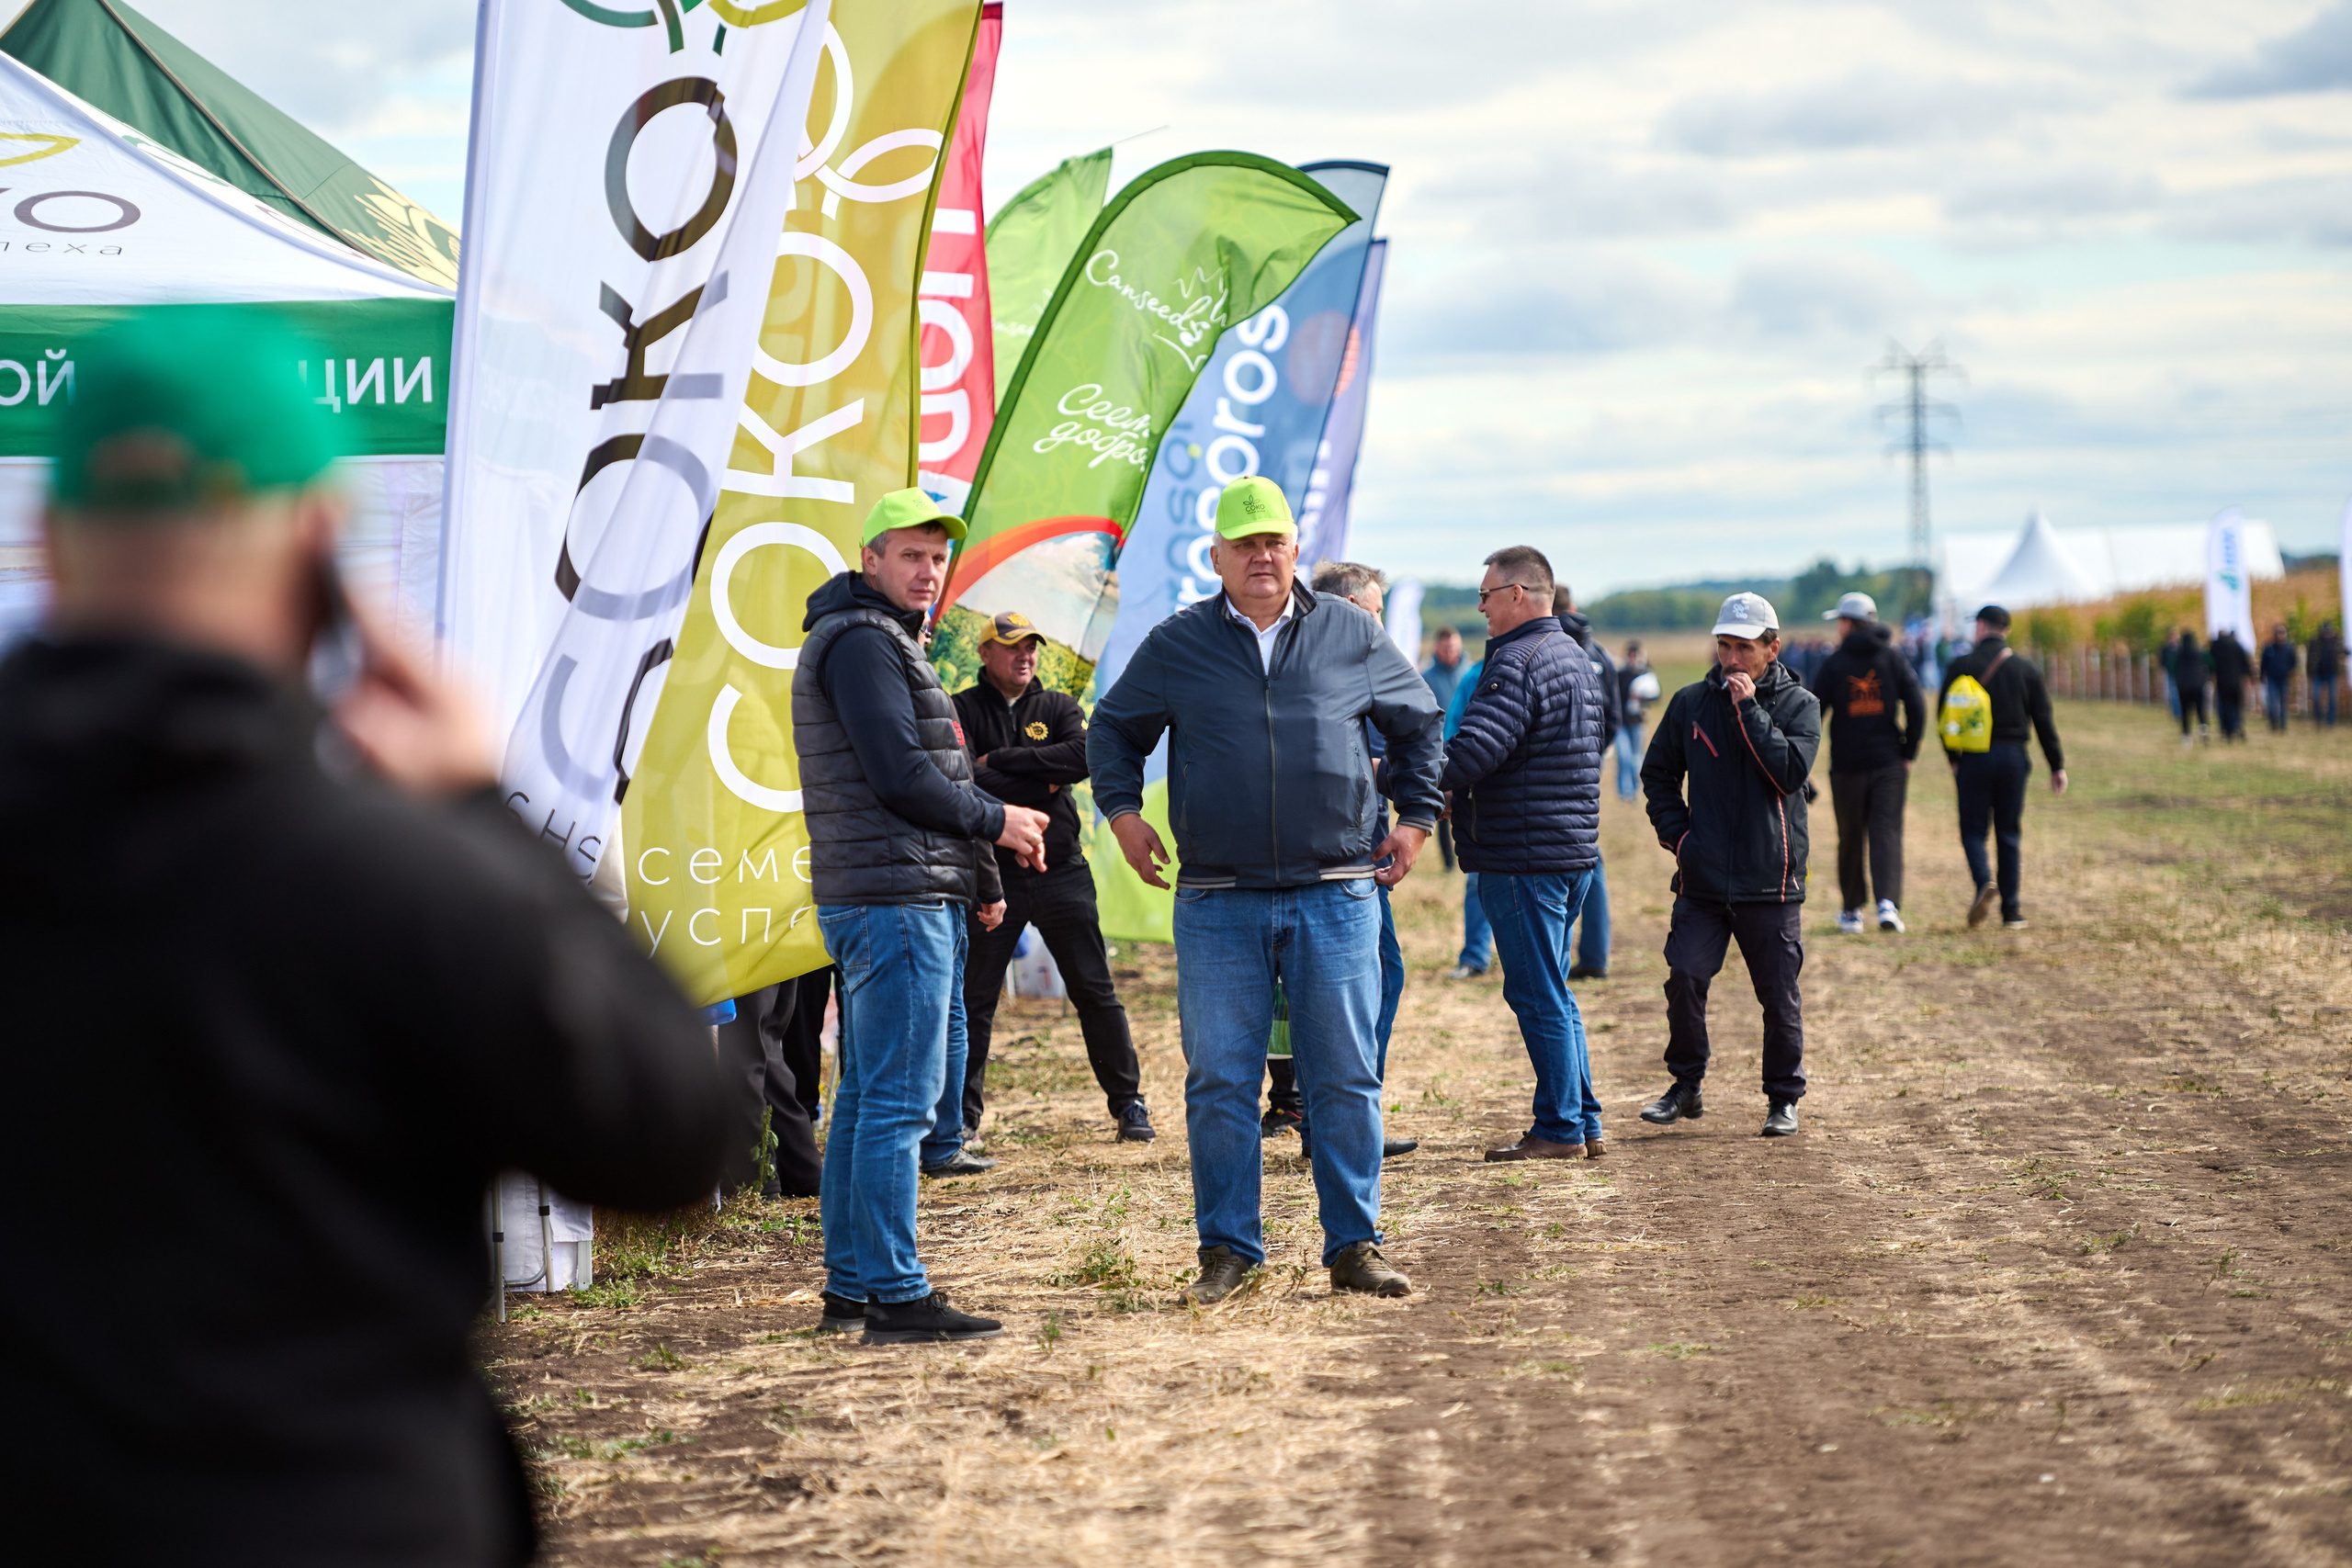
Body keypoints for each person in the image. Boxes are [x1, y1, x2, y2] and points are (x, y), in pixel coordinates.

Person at [0, 310, 733, 1564]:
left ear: (53, 545)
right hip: (343, 1512)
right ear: (322, 550)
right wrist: (475, 804)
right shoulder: (391, 877)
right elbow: (673, 1130)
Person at [1091, 475, 1443, 1304]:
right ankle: (1228, 1252)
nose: (1260, 554)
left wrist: (1418, 817)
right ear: (1214, 555)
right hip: (1218, 900)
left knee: (1346, 1074)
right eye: (1243, 543)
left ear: (1295, 551)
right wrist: (1122, 810)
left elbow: (1420, 722)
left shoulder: (1351, 632)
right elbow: (1113, 728)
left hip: (1338, 893)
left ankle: (1355, 1245)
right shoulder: (1178, 643)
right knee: (1219, 1078)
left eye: (1274, 540)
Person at [792, 488, 1052, 1345]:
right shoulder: (865, 643)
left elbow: (922, 771)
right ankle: (897, 1295)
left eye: (937, 558)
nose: (927, 570)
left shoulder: (877, 639)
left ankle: (853, 1287)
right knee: (899, 1103)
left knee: (868, 1099)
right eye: (910, 554)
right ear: (871, 558)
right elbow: (903, 776)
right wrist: (998, 822)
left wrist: (978, 864)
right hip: (893, 897)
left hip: (894, 890)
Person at [953, 610, 1152, 1145]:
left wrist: (1006, 761)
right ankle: (963, 1117)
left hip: (1062, 871)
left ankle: (1129, 1103)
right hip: (994, 878)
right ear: (986, 653)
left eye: (1032, 647)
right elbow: (962, 778)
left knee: (1094, 989)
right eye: (1012, 646)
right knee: (976, 999)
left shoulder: (1058, 706)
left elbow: (1082, 757)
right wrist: (1040, 778)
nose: (1025, 656)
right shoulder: (961, 709)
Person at [1442, 547, 1609, 1160]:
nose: (1480, 607)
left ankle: (1560, 1126)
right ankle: (1583, 1117)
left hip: (1523, 855)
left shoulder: (1516, 661)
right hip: (1569, 851)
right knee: (1555, 988)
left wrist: (1393, 773)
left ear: (1517, 594)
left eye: (1485, 594)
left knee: (1538, 993)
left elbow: (1472, 753)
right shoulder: (1572, 656)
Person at [1638, 592, 1820, 1138]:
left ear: (1772, 648)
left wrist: (1749, 711)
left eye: (1744, 647)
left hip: (1772, 879)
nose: (1732, 659)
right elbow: (1657, 775)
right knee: (1685, 977)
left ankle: (1783, 1098)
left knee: (1778, 996)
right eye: (1724, 646)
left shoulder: (1799, 706)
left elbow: (1789, 773)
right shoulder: (1691, 703)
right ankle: (1686, 1085)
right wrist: (1681, 837)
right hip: (1703, 878)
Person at [1269, 560, 1418, 1163]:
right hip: (1341, 865)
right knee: (1356, 985)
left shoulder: (1342, 668)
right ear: (1350, 609)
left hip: (1356, 856)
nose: (1381, 622)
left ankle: (1336, 1114)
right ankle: (1341, 1118)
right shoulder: (1336, 675)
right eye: (1376, 610)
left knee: (1355, 984)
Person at [1937, 604, 2066, 931]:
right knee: (2008, 832)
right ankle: (2012, 911)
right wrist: (2057, 765)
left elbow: (1945, 717)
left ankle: (1984, 881)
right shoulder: (2025, 668)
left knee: (1973, 830)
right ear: (2005, 629)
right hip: (2013, 757)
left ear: (1981, 627)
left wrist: (1953, 757)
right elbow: (2043, 719)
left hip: (1974, 758)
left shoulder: (1961, 665)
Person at [1810, 591, 1927, 935]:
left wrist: (1801, 753)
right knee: (1886, 831)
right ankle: (1887, 905)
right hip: (1888, 761)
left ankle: (1851, 912)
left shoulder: (1834, 663)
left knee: (1850, 835)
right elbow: (1917, 705)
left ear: (1848, 623)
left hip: (1846, 764)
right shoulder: (1893, 657)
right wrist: (1908, 751)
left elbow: (1814, 713)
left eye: (1839, 622)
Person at [1553, 584, 1619, 980]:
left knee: (1559, 862)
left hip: (1549, 777)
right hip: (1589, 770)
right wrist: (1591, 756)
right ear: (1574, 607)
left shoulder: (1542, 648)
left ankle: (1564, 955)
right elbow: (1614, 718)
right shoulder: (1600, 654)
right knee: (1590, 855)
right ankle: (1595, 953)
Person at [1444, 655, 1495, 979]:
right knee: (1478, 876)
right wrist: (1447, 784)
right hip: (1480, 798)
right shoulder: (1476, 674)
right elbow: (1452, 730)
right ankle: (1475, 955)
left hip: (1530, 806)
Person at [1421, 624, 1468, 871]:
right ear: (1437, 648)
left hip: (1468, 748)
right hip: (1438, 750)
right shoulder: (1426, 678)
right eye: (1446, 647)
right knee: (1441, 805)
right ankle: (1448, 863)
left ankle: (1467, 856)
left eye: (1454, 646)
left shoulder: (1470, 672)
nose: (1451, 651)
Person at [1616, 639, 1654, 801]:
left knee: (1636, 757)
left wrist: (1642, 697)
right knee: (1623, 756)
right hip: (1621, 722)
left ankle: (1637, 789)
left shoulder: (1645, 674)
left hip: (1637, 721)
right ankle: (1625, 792)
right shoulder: (1621, 674)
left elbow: (1655, 696)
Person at [2210, 626, 2252, 742]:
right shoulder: (2237, 646)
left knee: (2225, 706)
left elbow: (2211, 664)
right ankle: (2237, 726)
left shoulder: (2217, 647)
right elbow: (2246, 664)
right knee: (2236, 706)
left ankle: (2227, 730)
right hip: (2236, 682)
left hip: (2222, 683)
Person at [2259, 623, 2297, 733]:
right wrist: (2262, 676)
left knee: (2283, 703)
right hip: (2272, 679)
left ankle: (2283, 724)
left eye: (2282, 633)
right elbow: (2263, 663)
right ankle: (2273, 722)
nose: (2280, 635)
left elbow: (2293, 663)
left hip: (2284, 679)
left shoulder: (2289, 649)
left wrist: (2289, 672)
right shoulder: (2269, 649)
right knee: (2273, 702)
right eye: (2278, 633)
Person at [2176, 628, 2210, 743]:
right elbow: (2207, 665)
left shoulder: (2179, 653)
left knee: (2185, 712)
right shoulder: (2199, 652)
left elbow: (2173, 667)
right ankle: (2203, 730)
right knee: (2200, 710)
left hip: (2183, 687)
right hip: (2197, 686)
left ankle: (2186, 736)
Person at [2311, 620, 2343, 727]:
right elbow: (2310, 658)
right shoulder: (2315, 642)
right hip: (2318, 673)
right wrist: (2309, 671)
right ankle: (2318, 718)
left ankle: (2331, 721)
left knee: (2332, 698)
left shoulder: (2337, 641)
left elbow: (2342, 654)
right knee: (2315, 696)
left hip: (2332, 673)